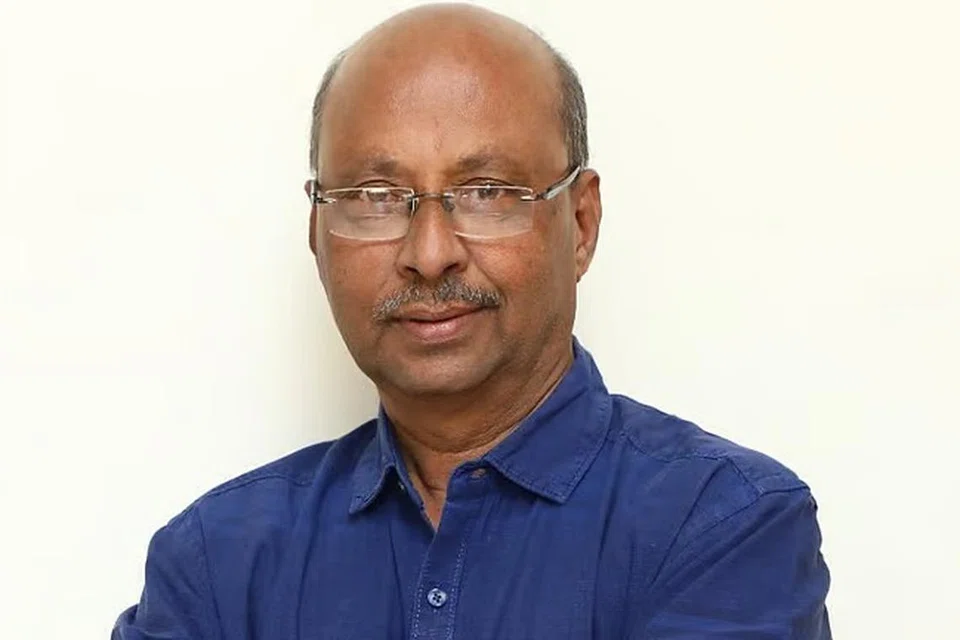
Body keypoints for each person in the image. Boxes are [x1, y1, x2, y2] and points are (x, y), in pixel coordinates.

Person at [113, 3, 831, 638]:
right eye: (375, 196)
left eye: (487, 191)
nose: (430, 255)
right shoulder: (218, 563)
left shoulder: (723, 523)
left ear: (581, 225)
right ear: (318, 237)